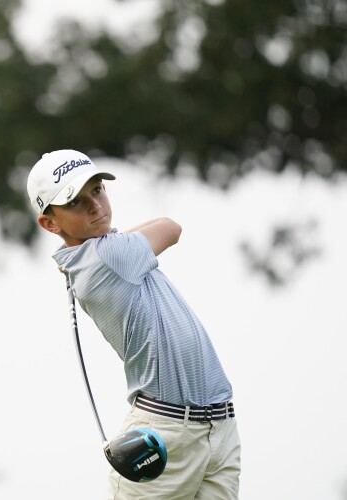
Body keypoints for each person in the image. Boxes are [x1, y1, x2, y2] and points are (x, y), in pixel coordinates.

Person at [26, 149, 241, 499]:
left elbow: (117, 238)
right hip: (164, 434)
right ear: (50, 223)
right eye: (76, 202)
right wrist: (109, 239)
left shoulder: (102, 252)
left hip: (217, 426)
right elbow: (171, 228)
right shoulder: (108, 255)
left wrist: (102, 238)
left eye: (97, 190)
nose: (96, 206)